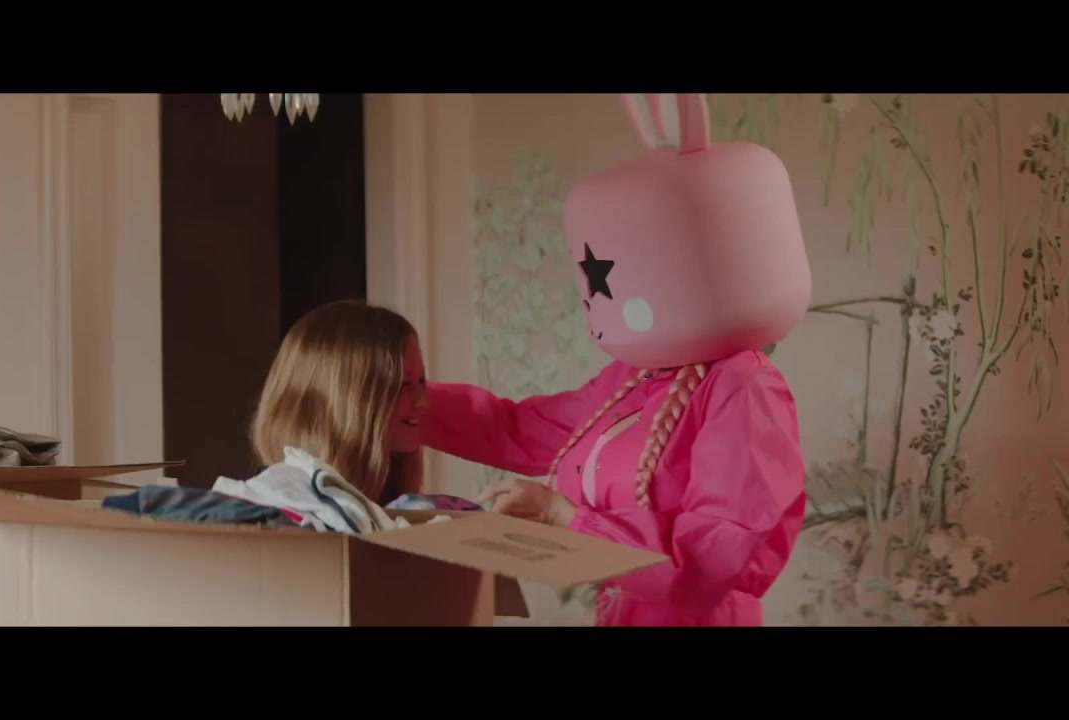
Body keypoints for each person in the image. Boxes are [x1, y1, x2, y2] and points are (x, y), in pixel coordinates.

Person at [422, 93, 813, 627]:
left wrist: (565, 518)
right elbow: (522, 429)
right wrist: (404, 401)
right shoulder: (633, 380)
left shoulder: (744, 387)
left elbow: (712, 557)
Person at [250, 299, 428, 507]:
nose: (422, 401)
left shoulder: (399, 507)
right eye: (404, 383)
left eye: (421, 381)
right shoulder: (281, 512)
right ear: (348, 398)